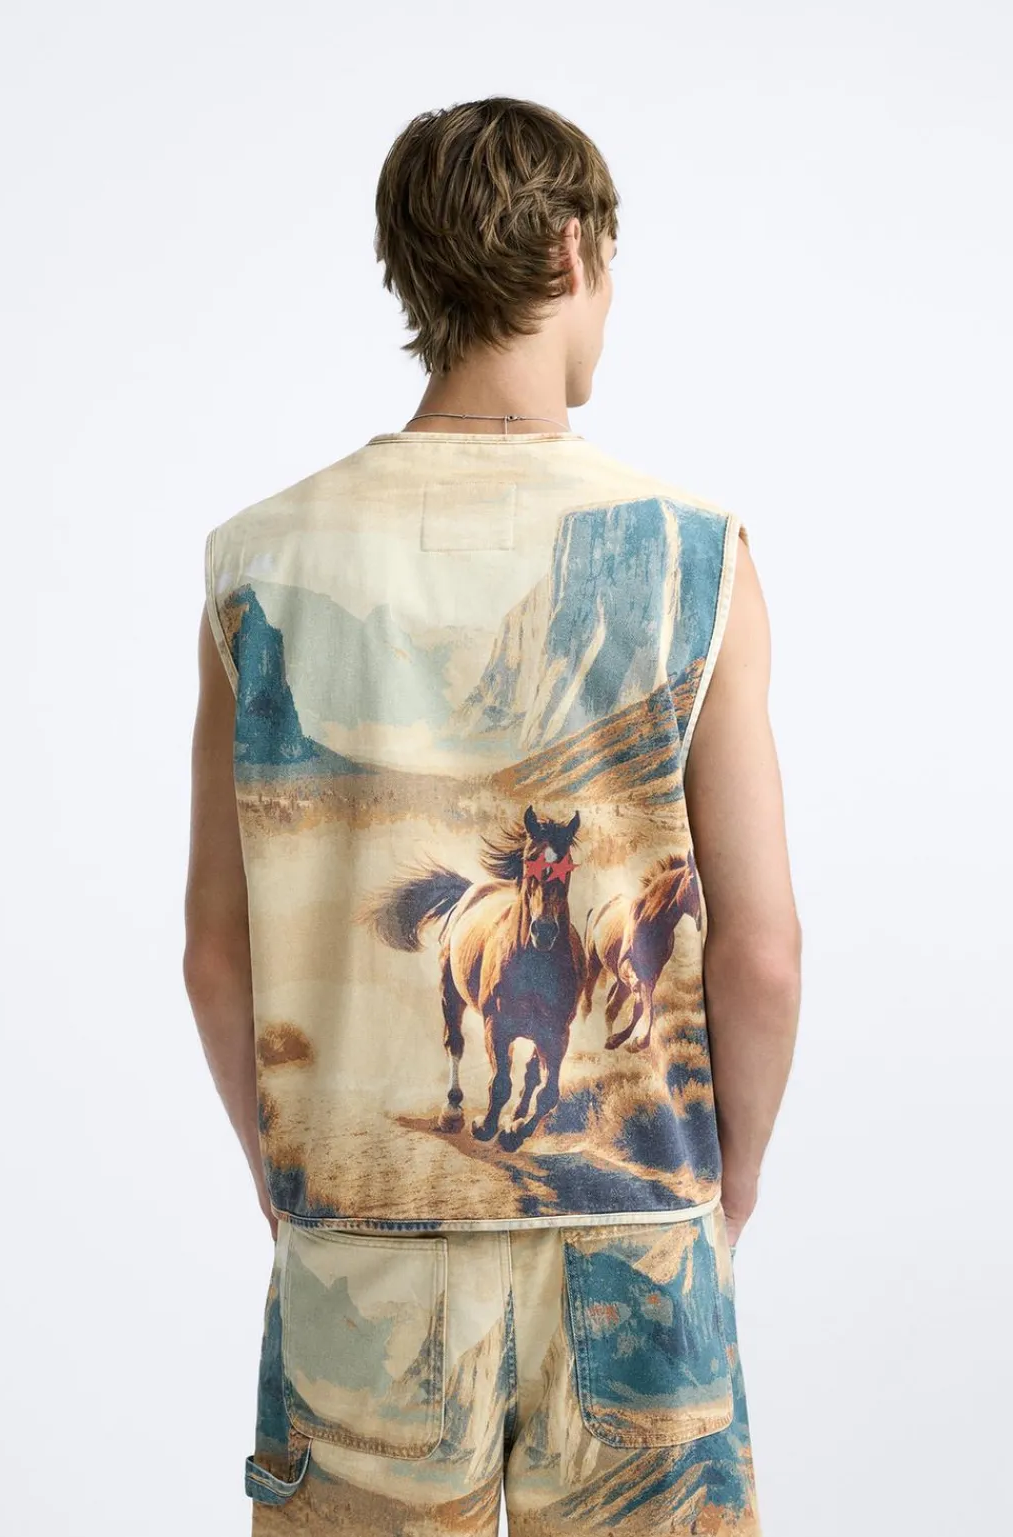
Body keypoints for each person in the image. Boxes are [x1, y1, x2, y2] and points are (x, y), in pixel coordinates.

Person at [184, 95, 801, 1537]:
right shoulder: (695, 555)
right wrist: (724, 1194)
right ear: (575, 251)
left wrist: (295, 1192)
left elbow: (217, 955)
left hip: (361, 1252)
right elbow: (762, 955)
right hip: (638, 1234)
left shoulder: (257, 564)